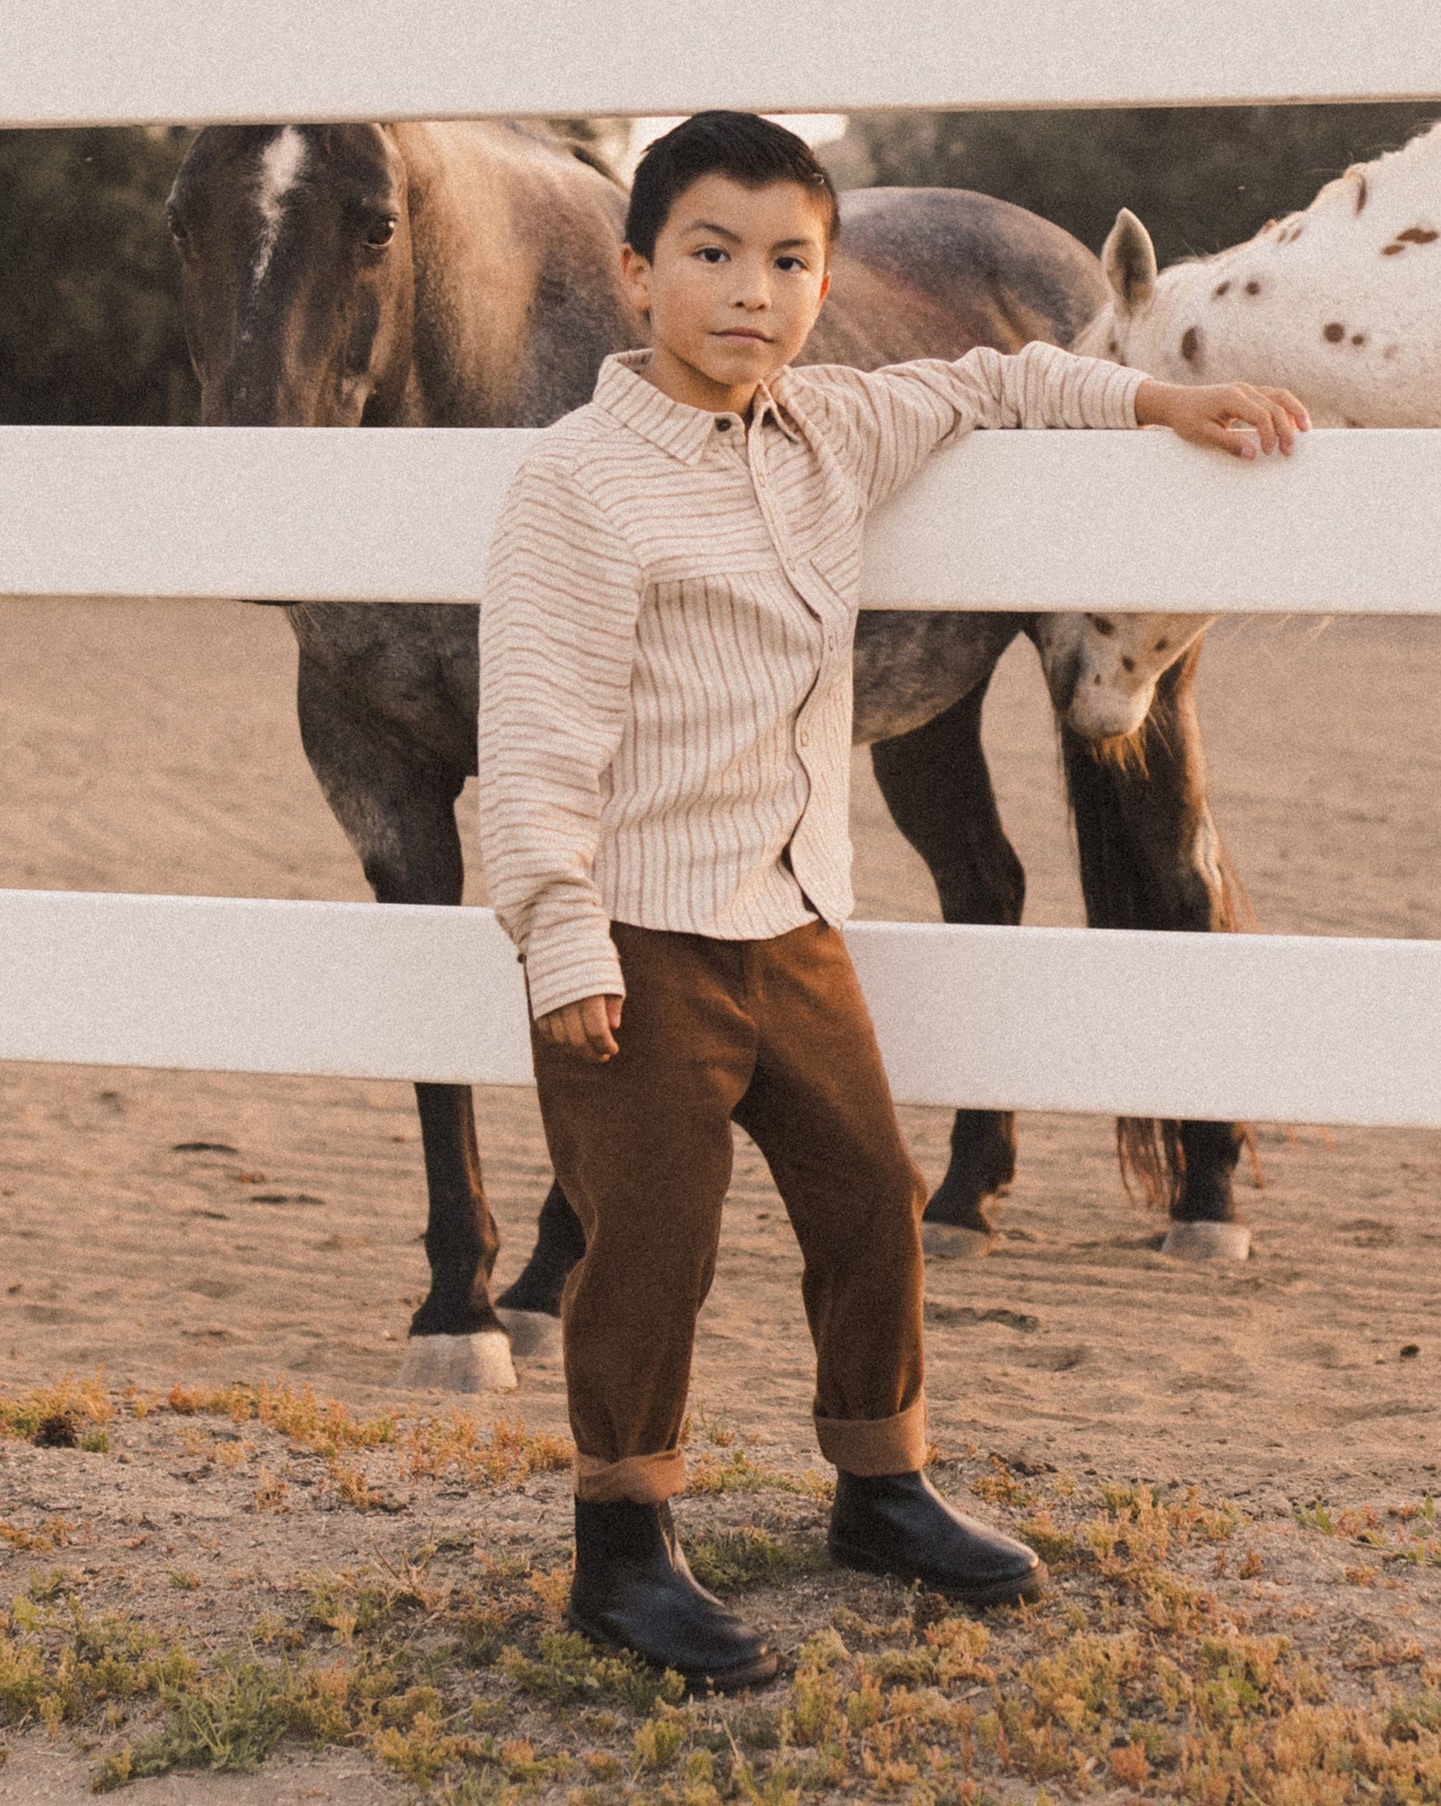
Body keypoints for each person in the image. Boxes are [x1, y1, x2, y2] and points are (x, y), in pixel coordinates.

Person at [478, 111, 1308, 1692]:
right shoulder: (576, 489)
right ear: (637, 274)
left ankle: (879, 1483)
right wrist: (560, 931)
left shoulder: (829, 430)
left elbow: (998, 377)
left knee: (870, 1206)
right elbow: (531, 737)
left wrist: (1159, 398)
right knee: (648, 1245)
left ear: (822, 283)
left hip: (791, 921)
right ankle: (623, 1543)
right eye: (712, 255)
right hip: (639, 934)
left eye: (790, 262)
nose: (752, 292)